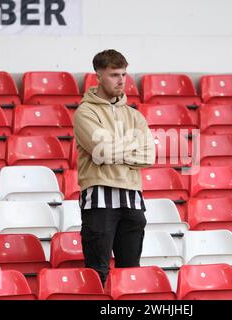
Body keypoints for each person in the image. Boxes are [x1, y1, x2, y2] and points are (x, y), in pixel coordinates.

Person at [73, 49, 155, 286]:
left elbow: (148, 156)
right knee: (98, 272)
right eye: (114, 74)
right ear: (98, 75)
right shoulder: (85, 112)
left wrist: (112, 149)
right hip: (98, 198)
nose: (121, 81)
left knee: (131, 272)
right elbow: (102, 152)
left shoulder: (134, 115)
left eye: (124, 74)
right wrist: (131, 145)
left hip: (132, 198)